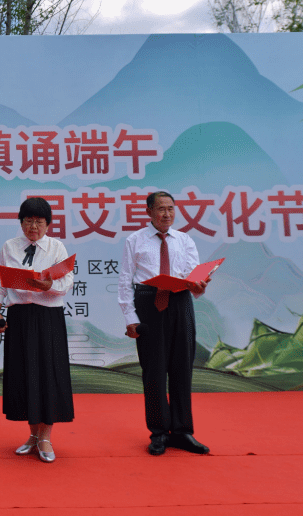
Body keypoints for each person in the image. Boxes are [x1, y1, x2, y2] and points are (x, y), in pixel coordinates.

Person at [118, 191, 211, 456]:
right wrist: (130, 318)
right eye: (161, 209)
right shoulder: (134, 240)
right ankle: (158, 433)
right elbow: (126, 281)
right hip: (149, 305)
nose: (167, 214)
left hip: (180, 303)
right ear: (149, 212)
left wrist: (200, 285)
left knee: (182, 369)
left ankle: (183, 431)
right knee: (154, 372)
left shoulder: (185, 240)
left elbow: (195, 278)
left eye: (171, 208)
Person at [0, 197, 74, 463]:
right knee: (24, 376)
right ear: (21, 222)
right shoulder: (9, 247)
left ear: (48, 224)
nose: (33, 227)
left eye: (39, 222)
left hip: (48, 317)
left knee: (48, 376)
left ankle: (46, 437)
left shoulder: (56, 247)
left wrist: (49, 286)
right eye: (28, 221)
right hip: (19, 317)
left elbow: (67, 281)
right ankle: (33, 435)